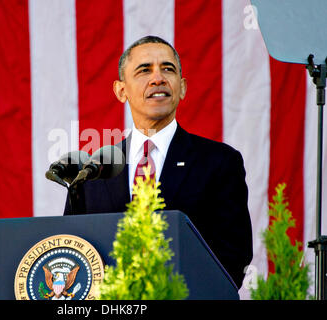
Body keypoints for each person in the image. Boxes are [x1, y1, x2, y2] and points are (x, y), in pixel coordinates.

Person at [64, 35, 253, 290]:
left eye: (168, 69)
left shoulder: (219, 162)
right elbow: (71, 251)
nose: (157, 78)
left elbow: (233, 256)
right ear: (121, 90)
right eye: (144, 70)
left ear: (182, 87)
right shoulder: (92, 171)